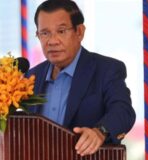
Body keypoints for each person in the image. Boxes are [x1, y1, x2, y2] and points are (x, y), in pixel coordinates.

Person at [26, 0, 136, 156]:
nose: (52, 41)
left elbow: (123, 111)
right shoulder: (31, 77)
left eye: (61, 31)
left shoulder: (106, 70)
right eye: (45, 33)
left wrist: (100, 132)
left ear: (79, 32)